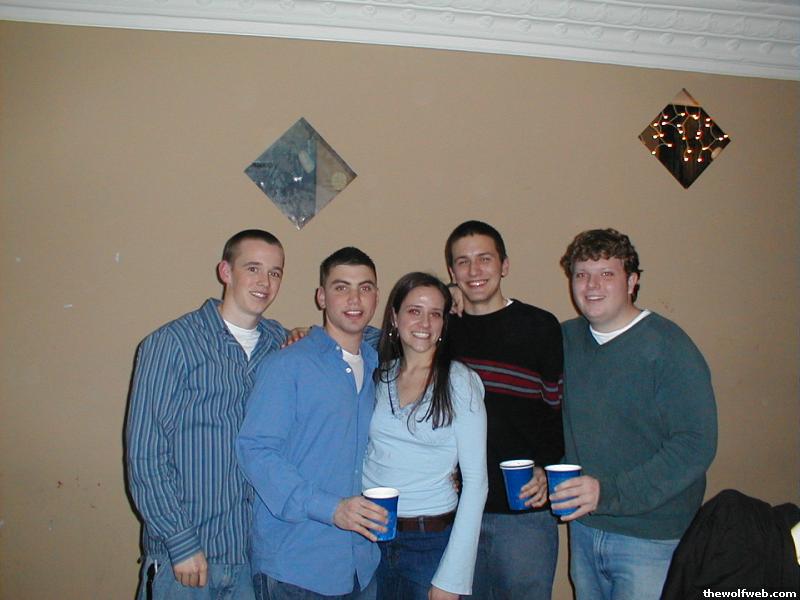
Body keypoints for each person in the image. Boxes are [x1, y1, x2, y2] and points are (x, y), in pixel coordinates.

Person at [552, 228, 718, 600]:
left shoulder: (669, 348)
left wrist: (607, 493)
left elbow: (696, 445)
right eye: (582, 274)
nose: (592, 285)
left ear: (632, 282)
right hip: (584, 528)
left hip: (652, 538)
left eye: (606, 274)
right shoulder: (565, 339)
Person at [126, 229, 290, 600]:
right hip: (186, 561)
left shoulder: (279, 345)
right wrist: (180, 541)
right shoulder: (172, 344)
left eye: (275, 272)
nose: (265, 282)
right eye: (253, 268)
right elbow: (146, 455)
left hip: (253, 559)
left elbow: (343, 338)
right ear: (225, 271)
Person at [237, 247, 385, 600]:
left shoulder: (381, 366)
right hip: (296, 567)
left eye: (365, 288)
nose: (354, 299)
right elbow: (256, 451)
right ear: (321, 297)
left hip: (362, 566)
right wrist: (330, 508)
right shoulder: (287, 365)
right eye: (341, 287)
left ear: (376, 297)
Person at [444, 221, 564, 600]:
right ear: (452, 273)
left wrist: (546, 468)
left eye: (485, 259)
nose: (474, 270)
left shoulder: (540, 327)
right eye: (463, 262)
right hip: (458, 513)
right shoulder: (442, 330)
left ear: (505, 265)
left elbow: (555, 413)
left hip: (523, 513)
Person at [362, 272, 488, 600]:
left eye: (435, 314)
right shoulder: (378, 374)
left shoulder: (460, 382)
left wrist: (453, 578)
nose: (425, 323)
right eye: (414, 311)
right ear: (395, 316)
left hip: (429, 544)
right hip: (370, 541)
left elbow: (477, 483)